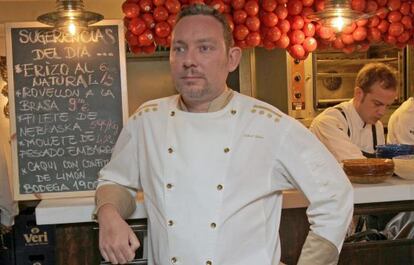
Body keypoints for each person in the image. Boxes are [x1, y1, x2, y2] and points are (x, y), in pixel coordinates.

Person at [95, 4, 353, 265]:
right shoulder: (146, 120)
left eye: (204, 48)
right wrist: (108, 214)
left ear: (232, 59)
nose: (189, 60)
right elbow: (116, 180)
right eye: (179, 48)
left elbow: (335, 195)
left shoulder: (270, 125)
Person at [310, 63, 398, 162]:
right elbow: (356, 166)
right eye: (377, 104)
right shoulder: (328, 122)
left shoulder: (377, 127)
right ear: (359, 94)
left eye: (387, 106)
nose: (382, 112)